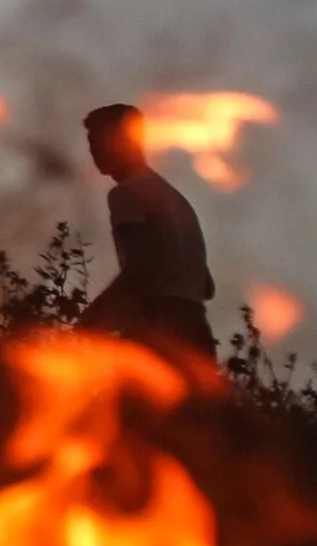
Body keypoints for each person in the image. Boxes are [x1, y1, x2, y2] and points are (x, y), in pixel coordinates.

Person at [79, 103, 218, 361]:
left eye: (100, 140)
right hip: (197, 333)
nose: (94, 151)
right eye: (91, 142)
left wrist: (90, 321)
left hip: (158, 331)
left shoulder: (126, 194)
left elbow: (138, 272)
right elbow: (207, 286)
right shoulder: (173, 198)